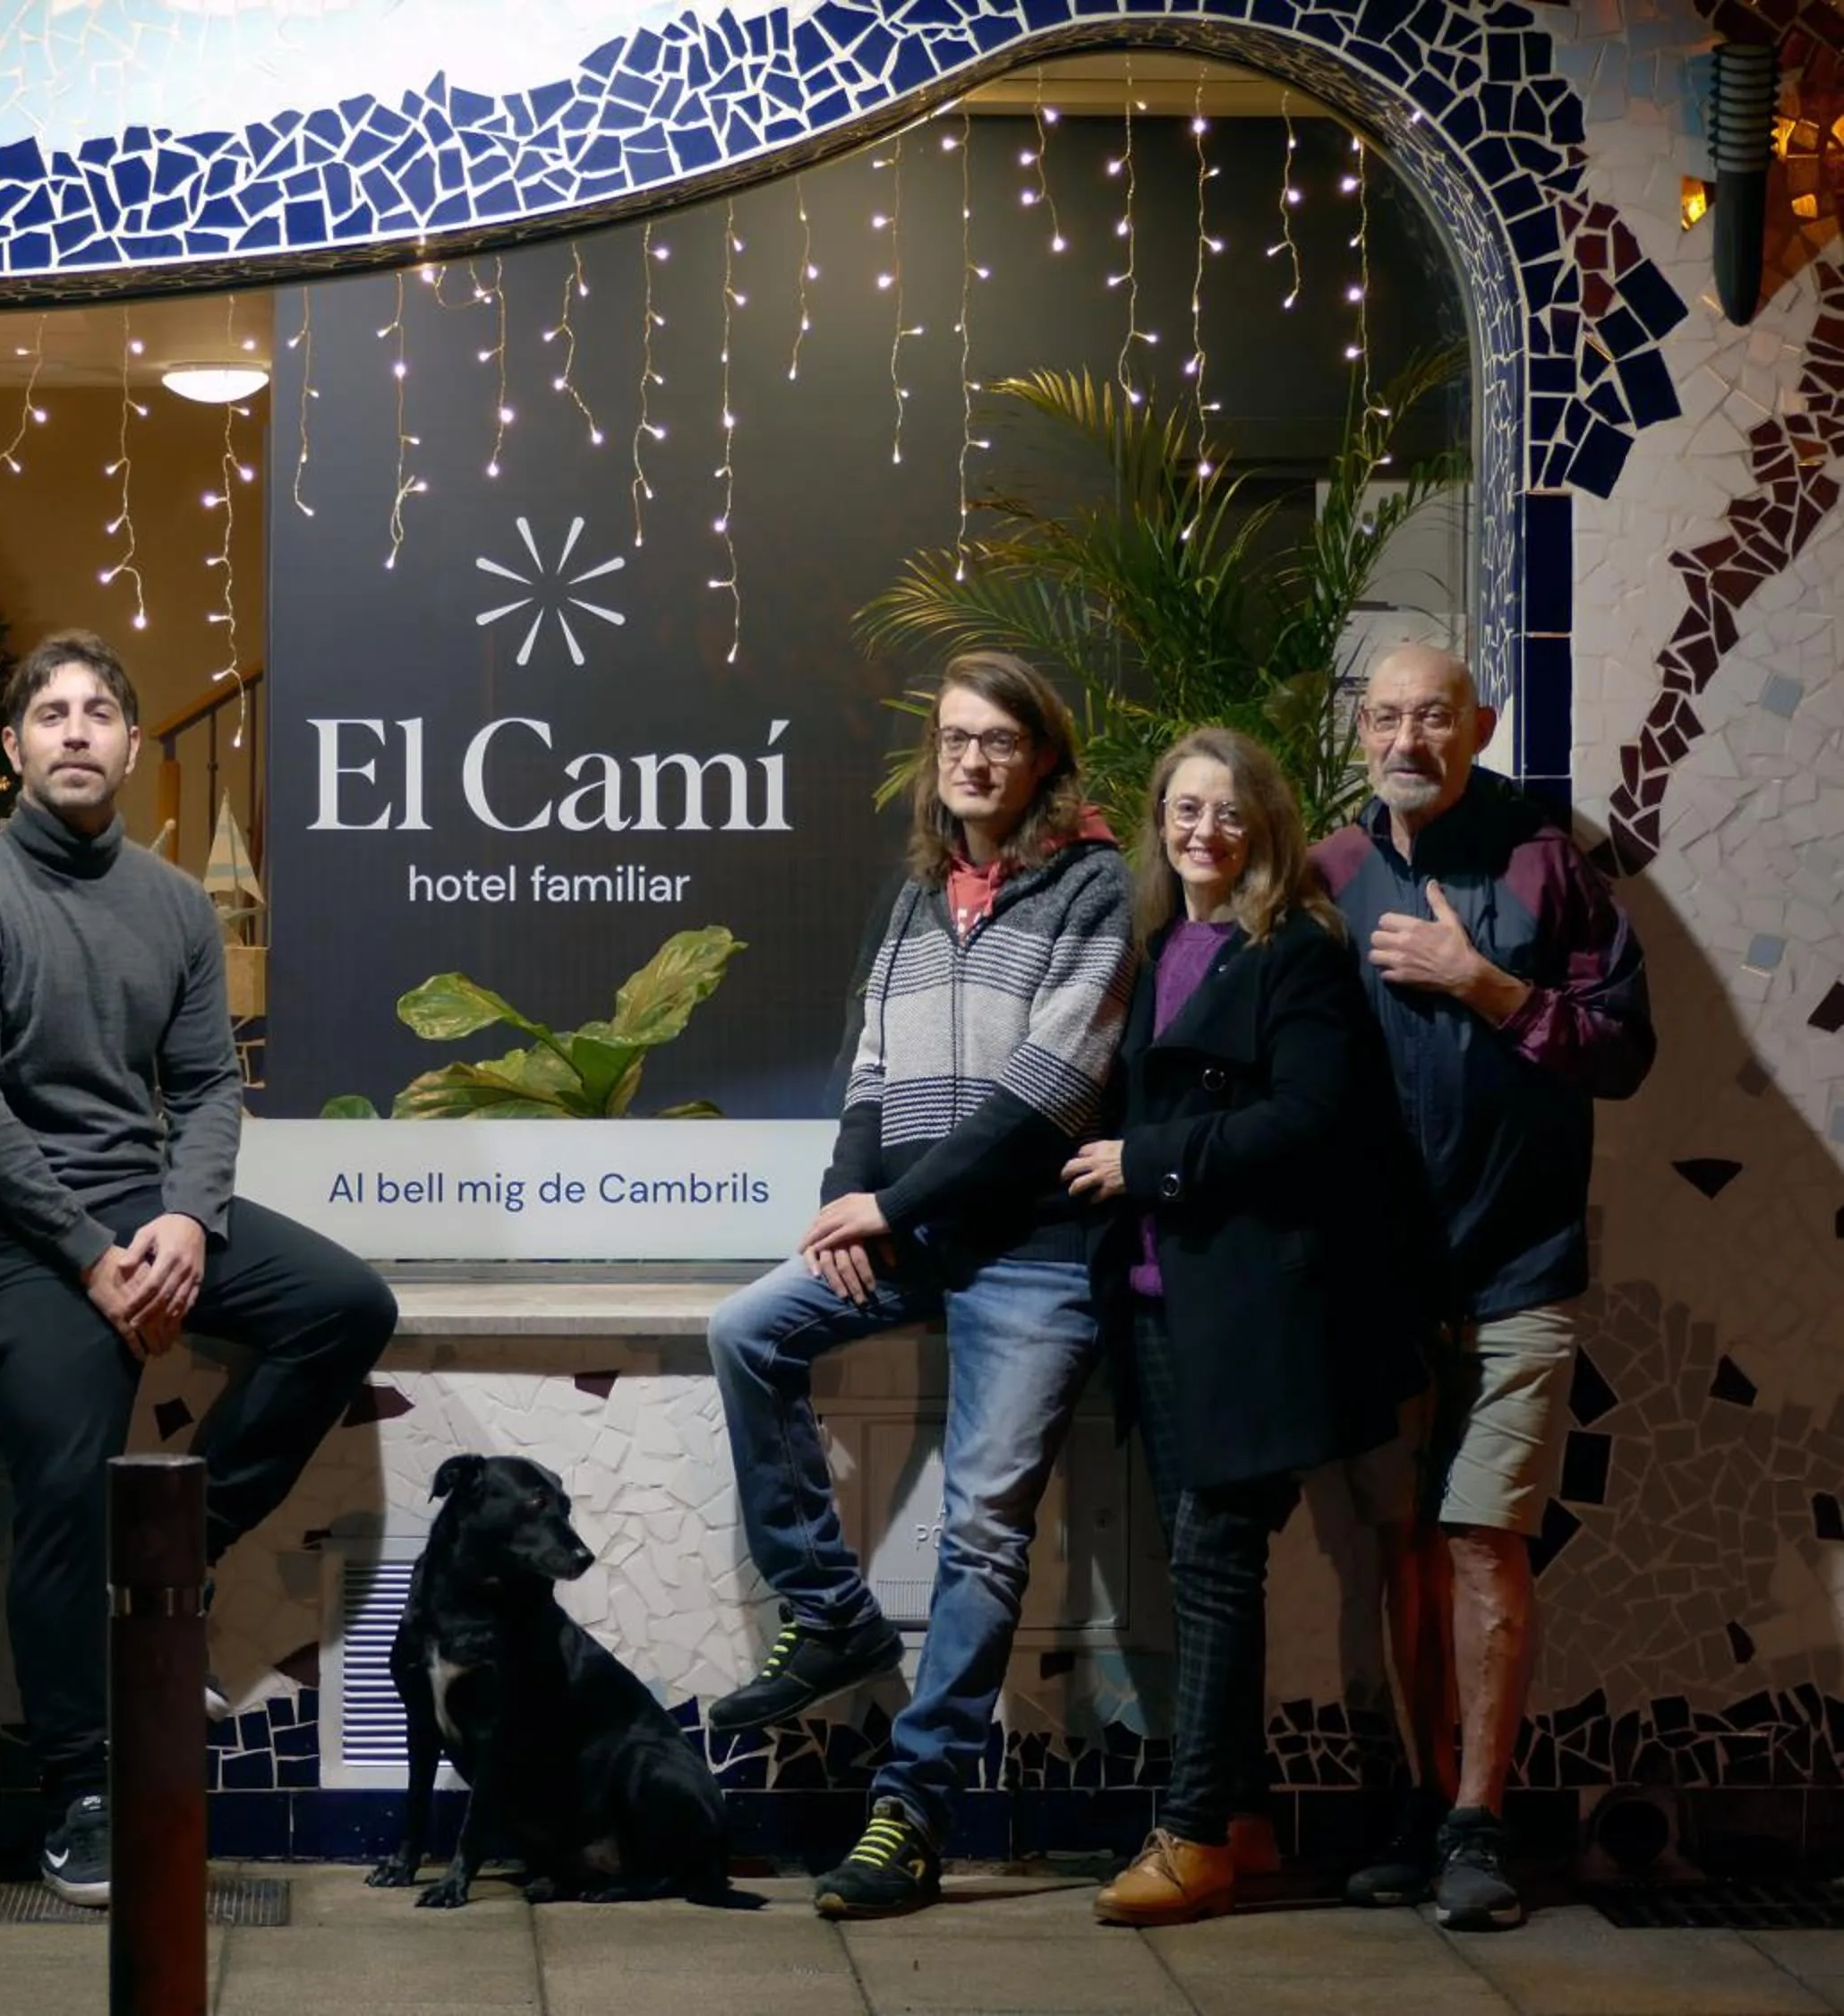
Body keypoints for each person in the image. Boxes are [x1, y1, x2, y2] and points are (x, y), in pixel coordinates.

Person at [0, 629, 397, 1909]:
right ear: (13, 748)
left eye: (99, 711)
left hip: (141, 1210)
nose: (75, 729)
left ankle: (185, 1541)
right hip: (15, 1241)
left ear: (127, 743)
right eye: (50, 713)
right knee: (62, 1494)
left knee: (346, 1305)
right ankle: (79, 1788)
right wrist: (89, 1257)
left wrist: (184, 1218)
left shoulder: (170, 902)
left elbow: (209, 1083)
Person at [704, 650, 1135, 1919]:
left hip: (1035, 1256)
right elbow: (873, 1068)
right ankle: (830, 1612)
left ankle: (913, 1813)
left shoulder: (1095, 888)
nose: (973, 760)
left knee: (985, 1531)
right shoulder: (921, 896)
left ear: (1045, 758)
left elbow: (1045, 1097)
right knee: (748, 1332)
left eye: (999, 739)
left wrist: (893, 1204)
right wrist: (852, 1204)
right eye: (955, 740)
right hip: (915, 1238)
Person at [1060, 726, 1435, 1926]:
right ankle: (1247, 1818)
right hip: (1167, 1308)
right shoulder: (1159, 943)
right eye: (1183, 807)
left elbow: (1314, 1122)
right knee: (1204, 1564)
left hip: (1258, 1314)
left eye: (1227, 811)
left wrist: (1148, 1161)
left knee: (1216, 1562)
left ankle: (1191, 1837)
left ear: (1264, 826)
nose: (1202, 830)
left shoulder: (1297, 956)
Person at [1317, 643, 1655, 1931]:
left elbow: (1623, 1049)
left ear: (1482, 725)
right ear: (1362, 734)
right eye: (1388, 716)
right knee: (1397, 1543)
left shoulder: (1545, 862)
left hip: (1519, 1266)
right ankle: (1413, 1802)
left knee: (1483, 1540)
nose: (1410, 737)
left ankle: (1478, 1823)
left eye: (1436, 717)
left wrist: (1487, 985)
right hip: (1378, 1278)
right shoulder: (1332, 872)